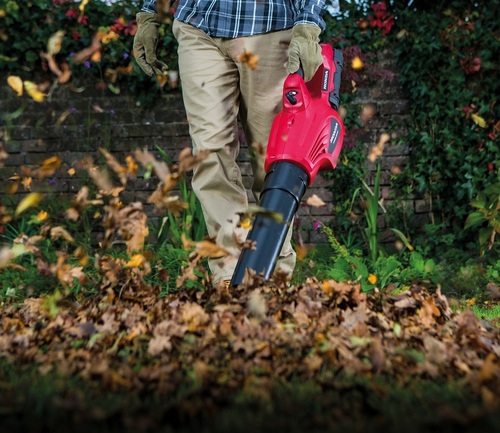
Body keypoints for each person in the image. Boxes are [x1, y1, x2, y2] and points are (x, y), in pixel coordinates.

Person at [134, 0, 327, 287]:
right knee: (210, 155)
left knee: (274, 165)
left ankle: (271, 273)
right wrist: (149, 12)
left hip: (271, 28)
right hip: (200, 25)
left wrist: (309, 21)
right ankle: (229, 275)